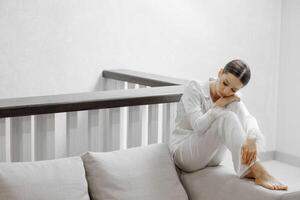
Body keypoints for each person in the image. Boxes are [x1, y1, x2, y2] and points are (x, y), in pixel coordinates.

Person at [169, 59, 288, 190]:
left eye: (233, 89)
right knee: (227, 117)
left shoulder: (232, 97)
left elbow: (248, 118)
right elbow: (198, 126)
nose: (226, 91)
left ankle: (252, 168)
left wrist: (251, 138)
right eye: (225, 83)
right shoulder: (195, 88)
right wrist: (219, 105)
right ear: (220, 73)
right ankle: (258, 171)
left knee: (238, 116)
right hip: (184, 154)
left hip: (212, 158)